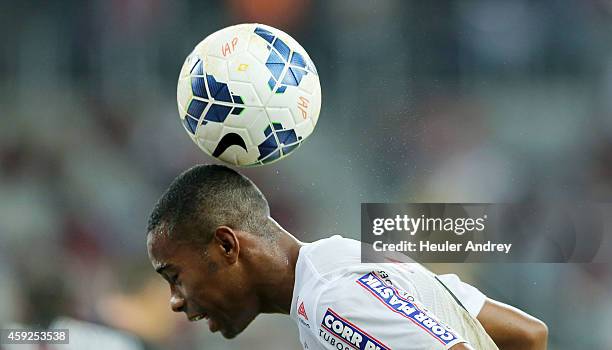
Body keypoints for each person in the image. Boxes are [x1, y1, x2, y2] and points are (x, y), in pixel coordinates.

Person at [146, 164, 548, 350]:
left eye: (175, 276)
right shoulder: (348, 260)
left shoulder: (332, 301)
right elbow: (526, 335)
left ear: (227, 246)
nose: (175, 301)